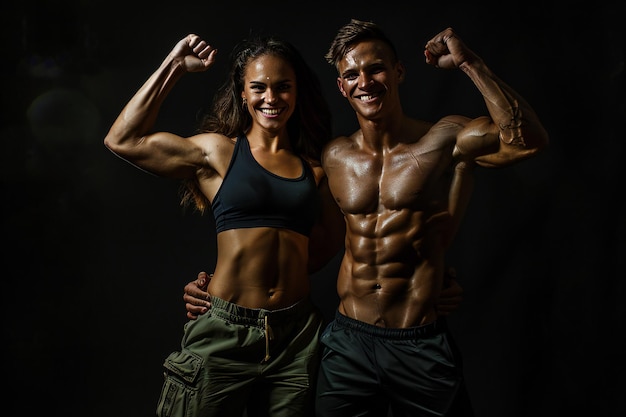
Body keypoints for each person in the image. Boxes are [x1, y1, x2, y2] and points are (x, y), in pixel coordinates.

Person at [182, 18, 548, 417]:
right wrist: (220, 291)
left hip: (419, 340)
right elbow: (302, 246)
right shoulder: (333, 157)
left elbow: (527, 141)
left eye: (375, 69)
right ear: (342, 86)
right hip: (347, 342)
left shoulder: (445, 139)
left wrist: (469, 63)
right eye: (352, 74)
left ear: (398, 72)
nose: (365, 82)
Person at [103, 32, 344, 417]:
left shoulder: (314, 171)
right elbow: (123, 140)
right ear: (243, 93)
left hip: (296, 338)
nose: (271, 98)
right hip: (224, 332)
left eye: (283, 87)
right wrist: (174, 66)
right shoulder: (218, 151)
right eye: (259, 87)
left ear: (298, 92)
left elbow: (332, 244)